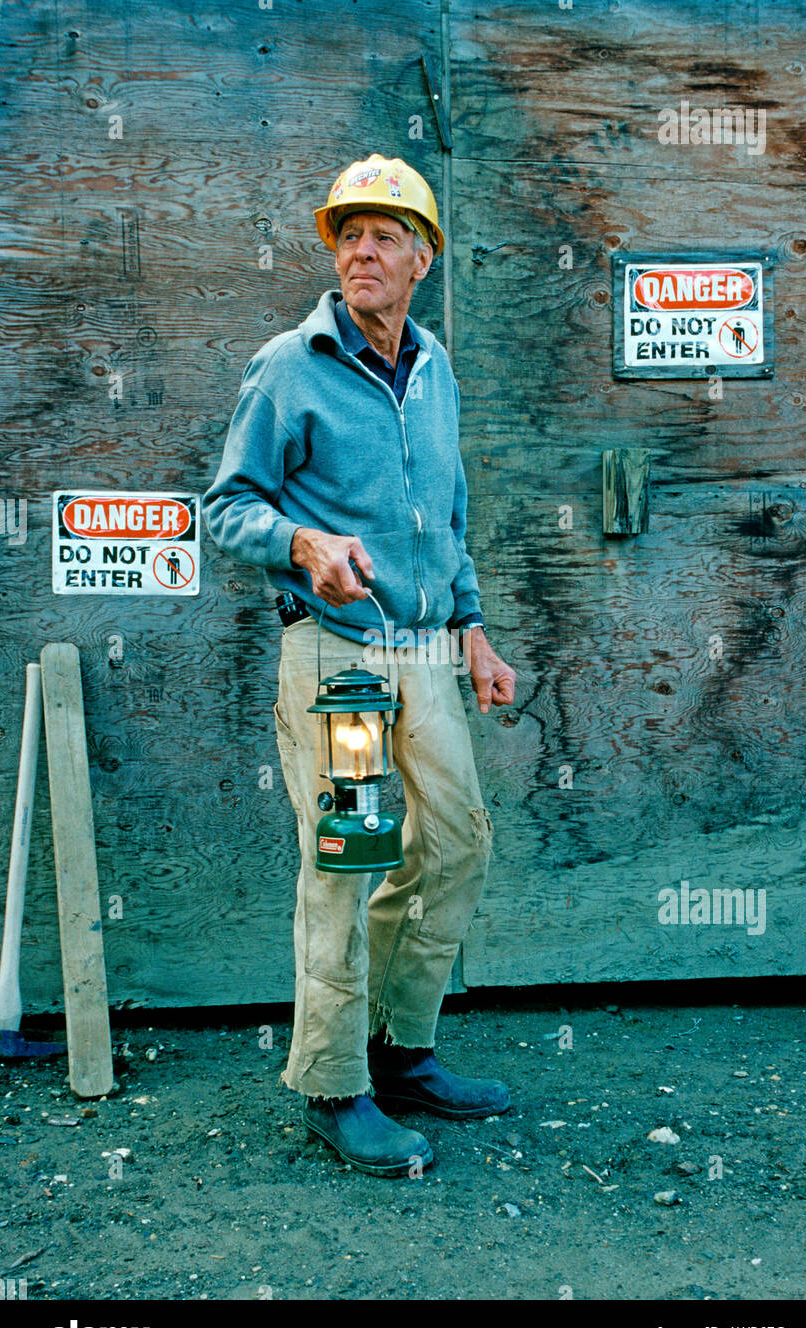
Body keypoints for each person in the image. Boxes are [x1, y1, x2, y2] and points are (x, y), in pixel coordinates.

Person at [203, 155, 517, 1177]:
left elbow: (449, 516)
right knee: (351, 859)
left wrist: (471, 627)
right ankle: (332, 1083)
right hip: (337, 659)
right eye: (347, 235)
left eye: (383, 234)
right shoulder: (288, 366)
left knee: (456, 844)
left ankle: (401, 1049)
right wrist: (304, 545)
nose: (361, 250)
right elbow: (226, 507)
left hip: (425, 654)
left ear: (422, 257)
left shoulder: (434, 372)